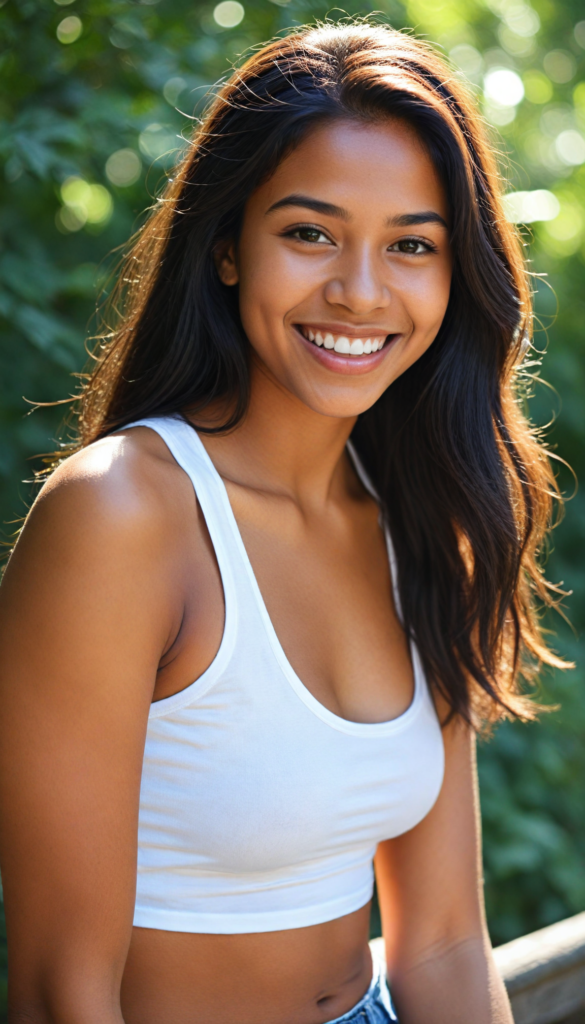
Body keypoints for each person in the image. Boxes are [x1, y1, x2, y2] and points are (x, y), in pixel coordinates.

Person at [0, 21, 568, 1024]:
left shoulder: (424, 513)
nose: (359, 290)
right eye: (310, 232)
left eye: (411, 245)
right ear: (227, 248)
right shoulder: (120, 514)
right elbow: (60, 990)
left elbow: (439, 936)